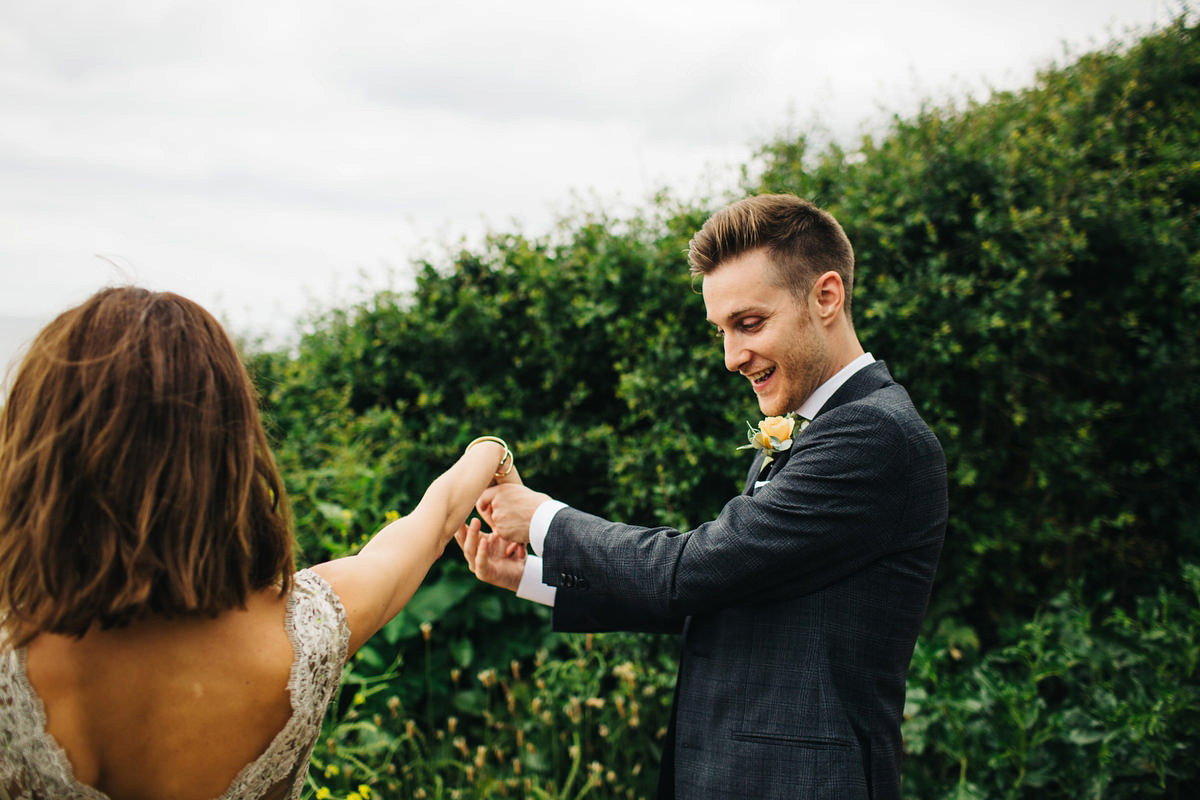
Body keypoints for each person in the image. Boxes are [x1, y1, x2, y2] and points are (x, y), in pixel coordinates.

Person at [457, 194, 948, 799]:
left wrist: (543, 520)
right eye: (722, 331)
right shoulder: (824, 428)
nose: (731, 358)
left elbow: (692, 569)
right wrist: (533, 576)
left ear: (826, 297)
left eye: (749, 324)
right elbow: (722, 593)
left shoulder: (874, 433)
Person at [0, 286, 512, 800]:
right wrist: (491, 453)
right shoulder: (306, 634)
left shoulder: (12, 659)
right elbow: (434, 520)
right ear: (229, 451)